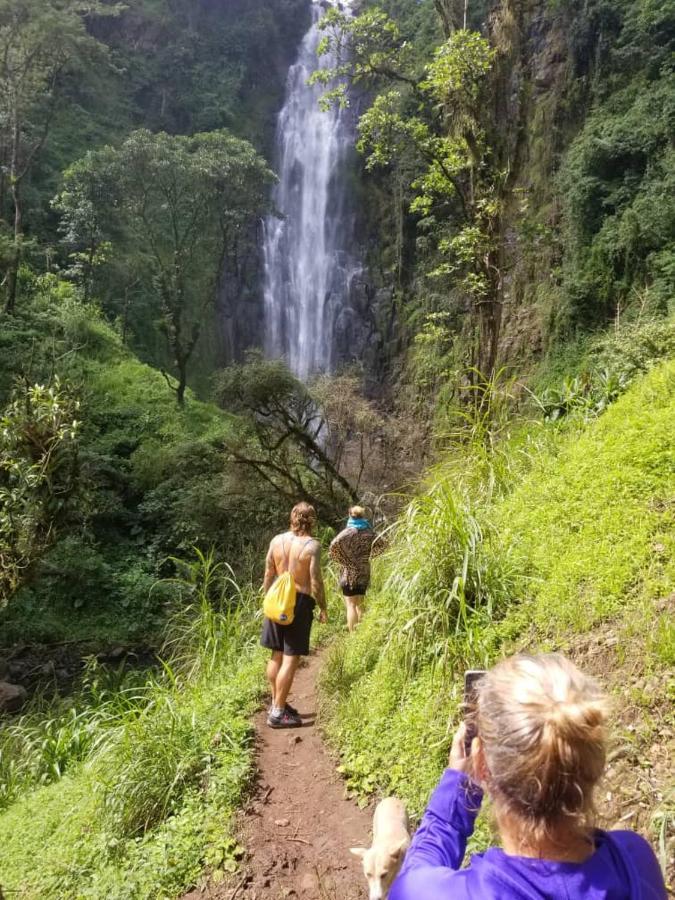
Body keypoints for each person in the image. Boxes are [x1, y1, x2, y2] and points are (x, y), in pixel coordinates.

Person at [390, 653, 667, 900]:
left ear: (482, 764)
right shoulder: (636, 863)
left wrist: (460, 784)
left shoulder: (430, 892)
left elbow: (414, 877)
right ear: (594, 762)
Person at [261, 501, 327, 729]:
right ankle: (278, 712)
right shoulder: (312, 546)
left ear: (292, 517)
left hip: (277, 599)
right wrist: (323, 606)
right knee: (290, 658)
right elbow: (315, 580)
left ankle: (276, 703)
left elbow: (269, 572)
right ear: (312, 520)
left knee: (276, 654)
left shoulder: (276, 540)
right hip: (298, 602)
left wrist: (267, 599)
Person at [329, 505, 379, 632]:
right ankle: (361, 634)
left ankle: (353, 636)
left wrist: (343, 559)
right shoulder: (369, 532)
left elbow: (333, 546)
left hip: (349, 572)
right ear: (362, 516)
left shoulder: (346, 532)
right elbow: (383, 543)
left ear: (350, 515)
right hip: (364, 570)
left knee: (351, 605)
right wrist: (368, 555)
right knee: (360, 603)